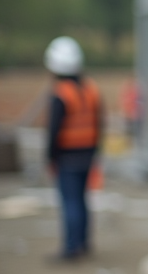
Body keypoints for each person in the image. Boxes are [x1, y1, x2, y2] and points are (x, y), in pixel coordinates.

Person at [44, 36, 103, 261]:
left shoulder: (61, 93)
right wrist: (96, 151)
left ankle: (71, 248)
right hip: (87, 153)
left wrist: (50, 156)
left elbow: (53, 130)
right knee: (81, 199)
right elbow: (99, 122)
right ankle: (84, 243)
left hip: (67, 155)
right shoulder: (90, 89)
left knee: (70, 201)